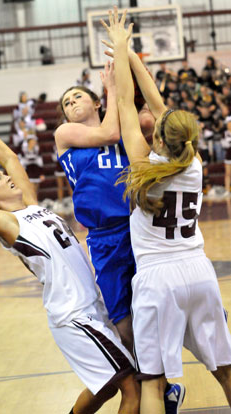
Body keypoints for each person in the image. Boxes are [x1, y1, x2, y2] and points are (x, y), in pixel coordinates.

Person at [0, 117, 140, 414]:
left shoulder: (31, 204)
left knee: (104, 388)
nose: (6, 175)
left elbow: (10, 157)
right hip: (73, 314)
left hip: (91, 306)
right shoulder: (7, 224)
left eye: (2, 174)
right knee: (132, 389)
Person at [102, 7, 231, 413]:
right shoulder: (193, 165)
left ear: (156, 133)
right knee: (226, 370)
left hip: (159, 280)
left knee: (154, 385)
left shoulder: (142, 167)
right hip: (198, 271)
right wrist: (131, 56)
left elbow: (126, 100)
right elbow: (159, 104)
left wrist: (122, 50)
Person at [55, 60, 155, 353]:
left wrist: (134, 71)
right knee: (120, 313)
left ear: (96, 103)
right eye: (66, 102)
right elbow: (108, 134)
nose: (71, 103)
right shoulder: (65, 135)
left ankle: (159, 376)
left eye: (78, 97)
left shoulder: (125, 127)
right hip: (103, 236)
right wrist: (112, 88)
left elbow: (148, 121)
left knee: (152, 302)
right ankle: (146, 376)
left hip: (137, 226)